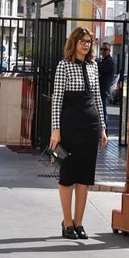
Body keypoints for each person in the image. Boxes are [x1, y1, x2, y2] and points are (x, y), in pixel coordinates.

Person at [50, 27, 108, 240]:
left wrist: (102, 127)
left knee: (84, 175)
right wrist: (55, 130)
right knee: (68, 175)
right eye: (82, 41)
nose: (86, 45)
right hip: (70, 125)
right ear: (73, 42)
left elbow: (98, 98)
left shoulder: (93, 66)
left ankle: (79, 223)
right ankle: (67, 223)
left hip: (91, 124)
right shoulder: (63, 66)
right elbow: (57, 99)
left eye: (89, 41)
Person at [98, 42, 115, 127]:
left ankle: (104, 131)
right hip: (100, 90)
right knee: (100, 111)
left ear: (109, 50)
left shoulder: (109, 61)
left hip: (103, 90)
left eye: (105, 49)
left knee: (102, 112)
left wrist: (98, 73)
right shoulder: (102, 60)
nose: (103, 51)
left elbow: (98, 70)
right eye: (102, 49)